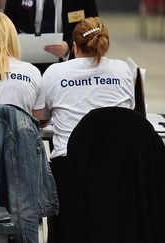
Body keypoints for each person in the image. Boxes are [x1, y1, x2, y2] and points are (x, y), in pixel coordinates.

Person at [41, 16, 135, 243]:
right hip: (117, 169)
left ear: (74, 47)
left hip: (70, 170)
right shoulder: (124, 70)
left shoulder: (55, 72)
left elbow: (41, 118)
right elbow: (128, 115)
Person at [4, 0, 98, 73]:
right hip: (24, 62)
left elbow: (93, 29)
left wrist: (69, 46)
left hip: (69, 63)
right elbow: (6, 26)